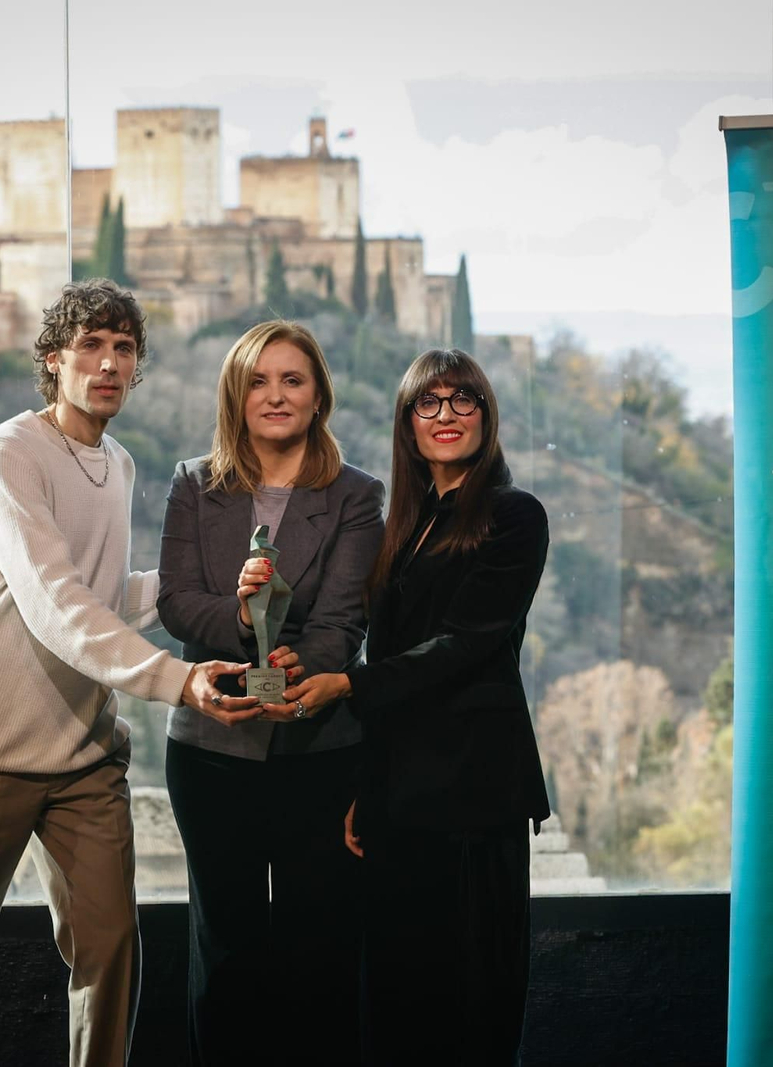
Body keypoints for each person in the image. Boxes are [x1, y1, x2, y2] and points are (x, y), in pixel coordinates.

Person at [0, 280, 258, 1067]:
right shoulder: (9, 453)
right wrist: (177, 678)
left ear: (136, 368)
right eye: (90, 347)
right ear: (55, 360)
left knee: (111, 952)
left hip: (83, 758)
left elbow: (104, 596)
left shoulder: (120, 465)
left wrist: (199, 592)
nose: (108, 363)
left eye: (123, 349)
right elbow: (55, 603)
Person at [276, 347, 551, 1066]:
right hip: (401, 795)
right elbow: (388, 654)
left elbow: (468, 645)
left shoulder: (516, 516)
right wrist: (367, 788)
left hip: (474, 793)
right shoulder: (403, 526)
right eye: (428, 402)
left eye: (464, 400)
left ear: (486, 417)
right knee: (399, 1004)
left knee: (471, 1004)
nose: (446, 415)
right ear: (407, 422)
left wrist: (348, 685)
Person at [157, 320, 384, 1066]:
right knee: (226, 953)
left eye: (293, 379)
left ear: (318, 395)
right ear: (235, 393)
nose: (276, 395)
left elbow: (344, 616)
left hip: (319, 753)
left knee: (316, 958)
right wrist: (236, 607)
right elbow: (176, 602)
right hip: (211, 755)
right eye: (259, 380)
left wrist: (297, 667)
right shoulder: (194, 482)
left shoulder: (357, 494)